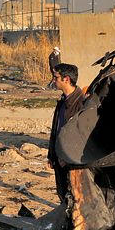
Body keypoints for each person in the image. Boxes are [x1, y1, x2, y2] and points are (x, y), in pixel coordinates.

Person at [47, 64, 86, 199]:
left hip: (73, 163)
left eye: (56, 77)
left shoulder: (82, 104)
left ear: (66, 79)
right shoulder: (63, 101)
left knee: (75, 198)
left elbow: (83, 137)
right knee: (63, 195)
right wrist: (51, 155)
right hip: (60, 159)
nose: (53, 80)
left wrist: (69, 158)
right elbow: (56, 129)